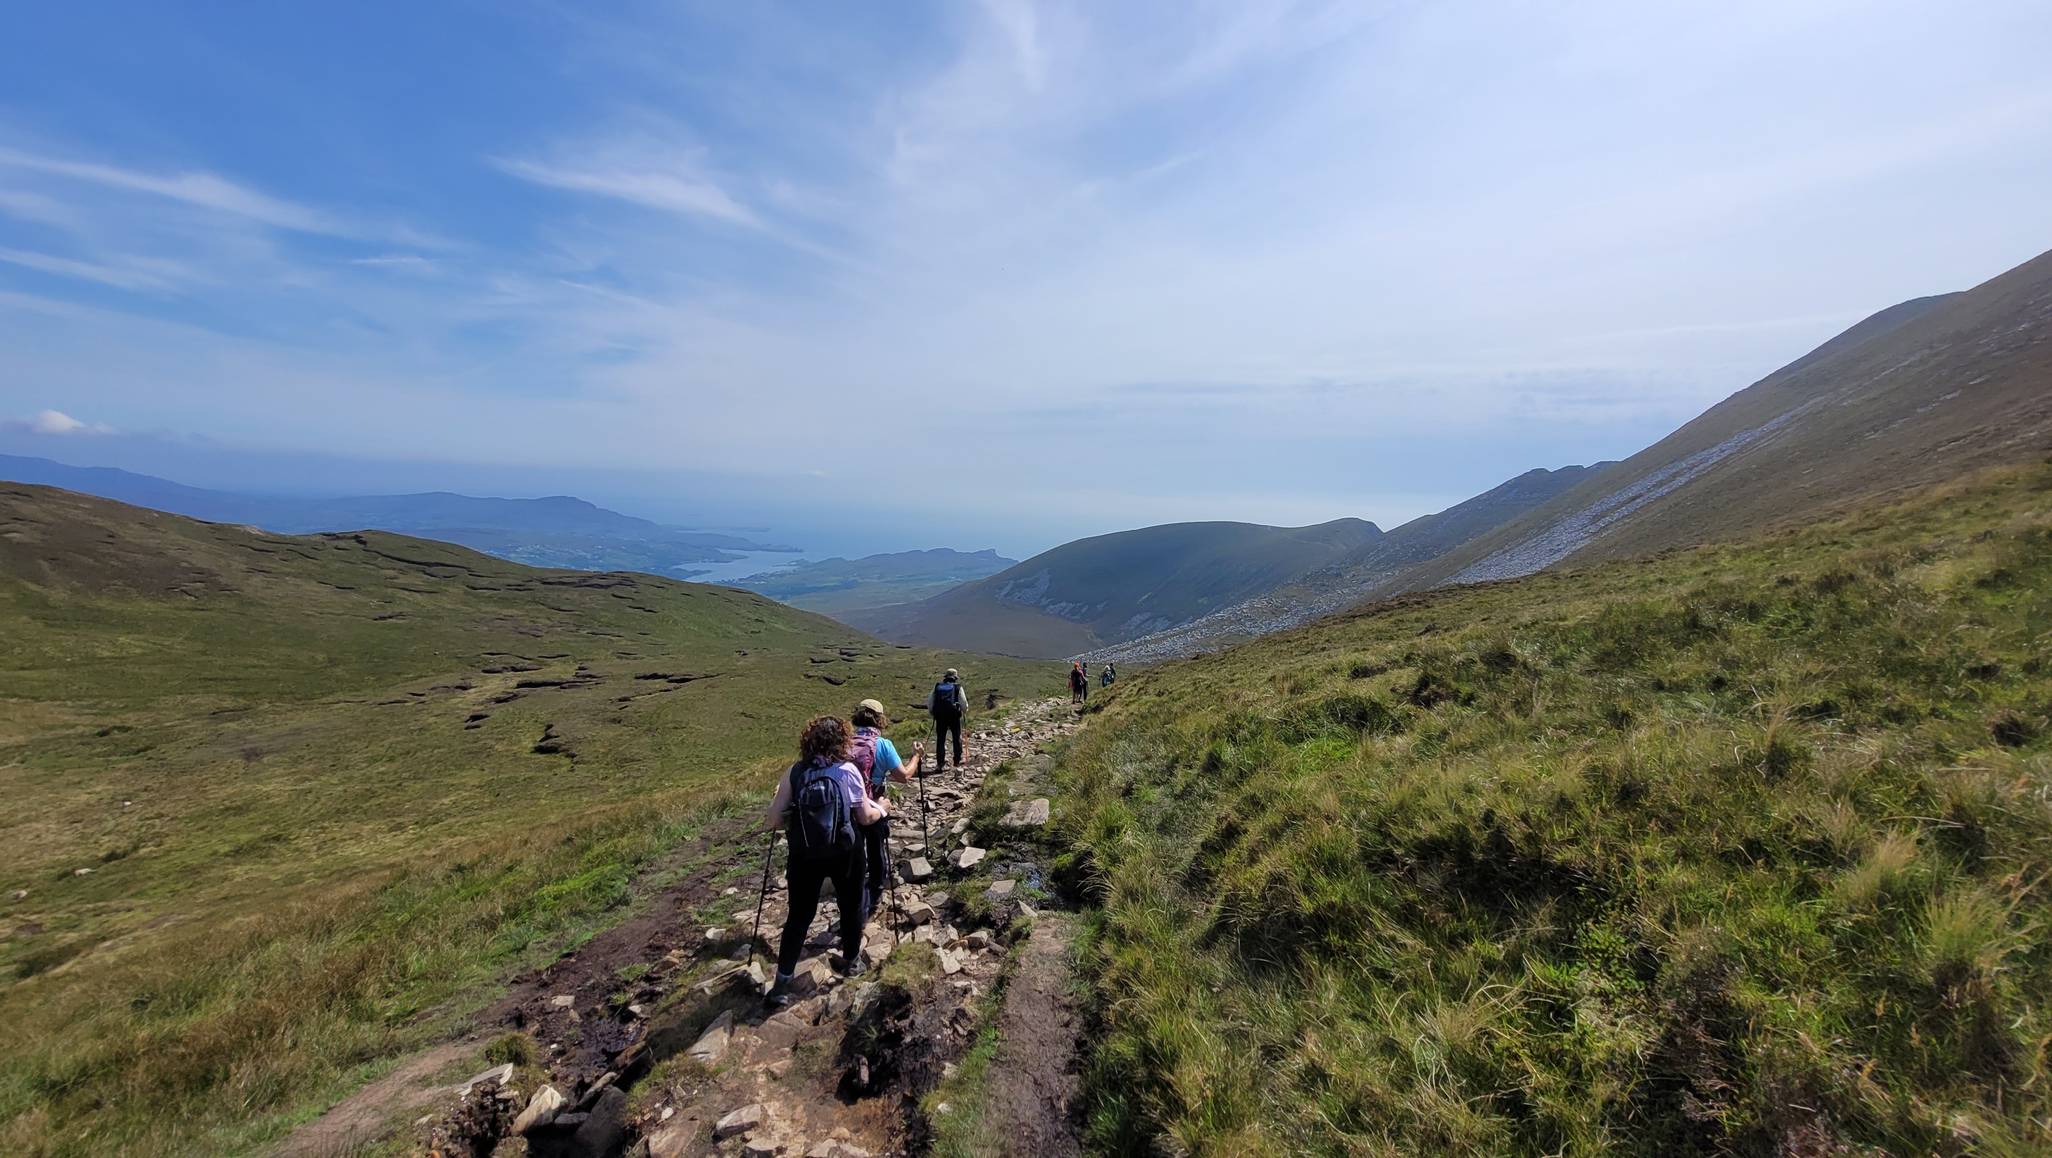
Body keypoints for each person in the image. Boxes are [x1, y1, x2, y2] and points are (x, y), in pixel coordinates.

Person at [762, 715, 885, 1006]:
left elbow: (772, 821)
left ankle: (781, 984)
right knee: (850, 904)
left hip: (804, 854)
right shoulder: (848, 770)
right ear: (841, 741)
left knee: (799, 915)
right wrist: (882, 809)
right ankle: (852, 961)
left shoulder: (795, 772)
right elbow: (864, 817)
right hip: (845, 852)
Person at [847, 698, 921, 920]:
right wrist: (916, 756)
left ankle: (852, 889)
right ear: (879, 719)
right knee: (876, 845)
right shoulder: (883, 745)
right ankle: (876, 890)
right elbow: (904, 776)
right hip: (874, 802)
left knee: (854, 847)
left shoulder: (844, 742)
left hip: (848, 805)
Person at [926, 668, 967, 773]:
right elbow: (964, 703)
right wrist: (964, 711)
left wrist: (933, 713)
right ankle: (957, 761)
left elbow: (930, 702)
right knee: (956, 737)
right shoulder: (958, 687)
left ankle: (940, 763)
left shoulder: (937, 687)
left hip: (940, 717)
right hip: (954, 716)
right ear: (955, 677)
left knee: (940, 739)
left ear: (945, 677)